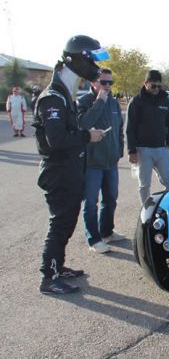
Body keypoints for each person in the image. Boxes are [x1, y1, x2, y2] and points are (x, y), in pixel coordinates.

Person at [33, 35, 109, 294]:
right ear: (76, 59)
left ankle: (58, 266)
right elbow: (57, 139)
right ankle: (49, 277)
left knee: (67, 221)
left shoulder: (67, 92)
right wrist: (88, 136)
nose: (97, 67)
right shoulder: (53, 97)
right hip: (58, 172)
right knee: (60, 223)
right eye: (93, 59)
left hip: (70, 169)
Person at [77, 68, 125, 254]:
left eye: (110, 83)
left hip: (110, 161)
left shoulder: (114, 103)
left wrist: (118, 151)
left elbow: (119, 129)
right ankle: (94, 239)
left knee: (111, 199)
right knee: (90, 202)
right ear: (93, 83)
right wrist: (99, 102)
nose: (107, 86)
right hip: (92, 163)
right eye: (103, 82)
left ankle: (107, 232)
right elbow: (83, 125)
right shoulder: (84, 102)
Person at [126, 70, 169, 205]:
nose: (157, 89)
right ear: (146, 83)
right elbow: (130, 128)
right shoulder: (136, 102)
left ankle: (167, 208)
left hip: (161, 149)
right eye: (153, 86)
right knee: (144, 185)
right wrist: (132, 151)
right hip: (143, 150)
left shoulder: (165, 100)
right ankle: (146, 211)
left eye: (159, 86)